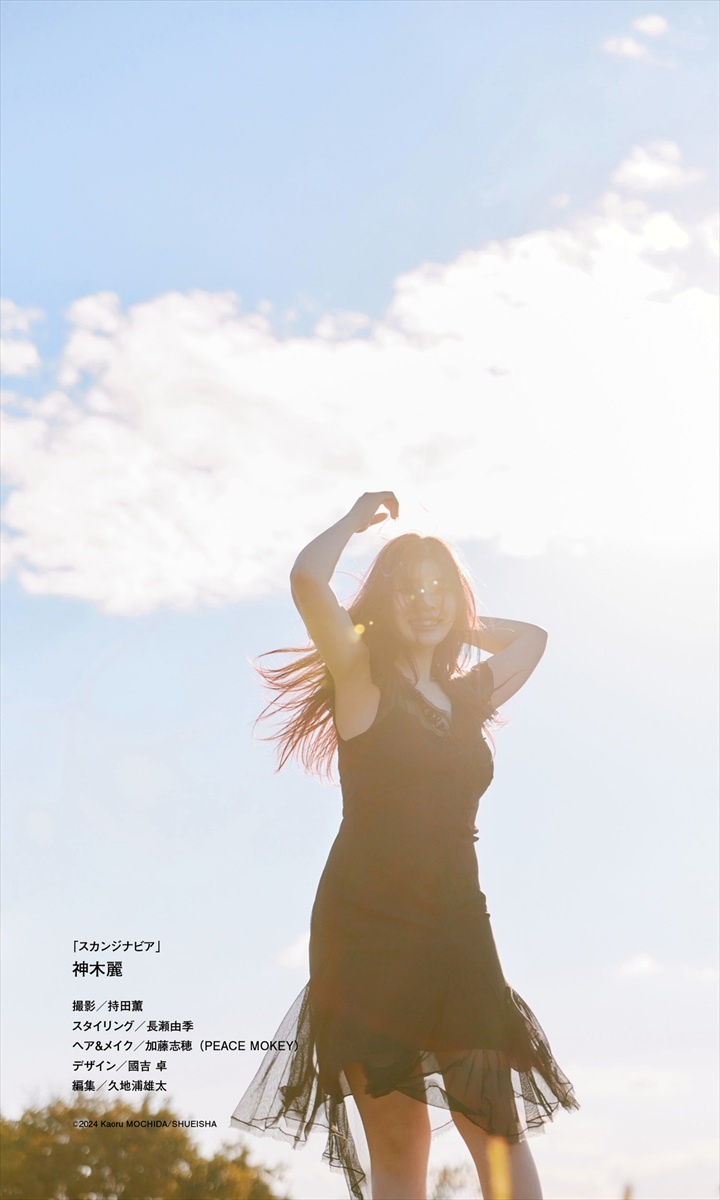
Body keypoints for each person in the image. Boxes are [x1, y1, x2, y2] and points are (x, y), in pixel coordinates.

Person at [231, 491, 579, 1200]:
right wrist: (353, 521)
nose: (425, 601)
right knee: (398, 1154)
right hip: (367, 929)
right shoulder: (361, 677)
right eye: (409, 589)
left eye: (439, 587)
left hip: (459, 924)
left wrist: (455, 620)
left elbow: (533, 638)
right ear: (383, 602)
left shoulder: (471, 696)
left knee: (500, 1136)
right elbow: (307, 580)